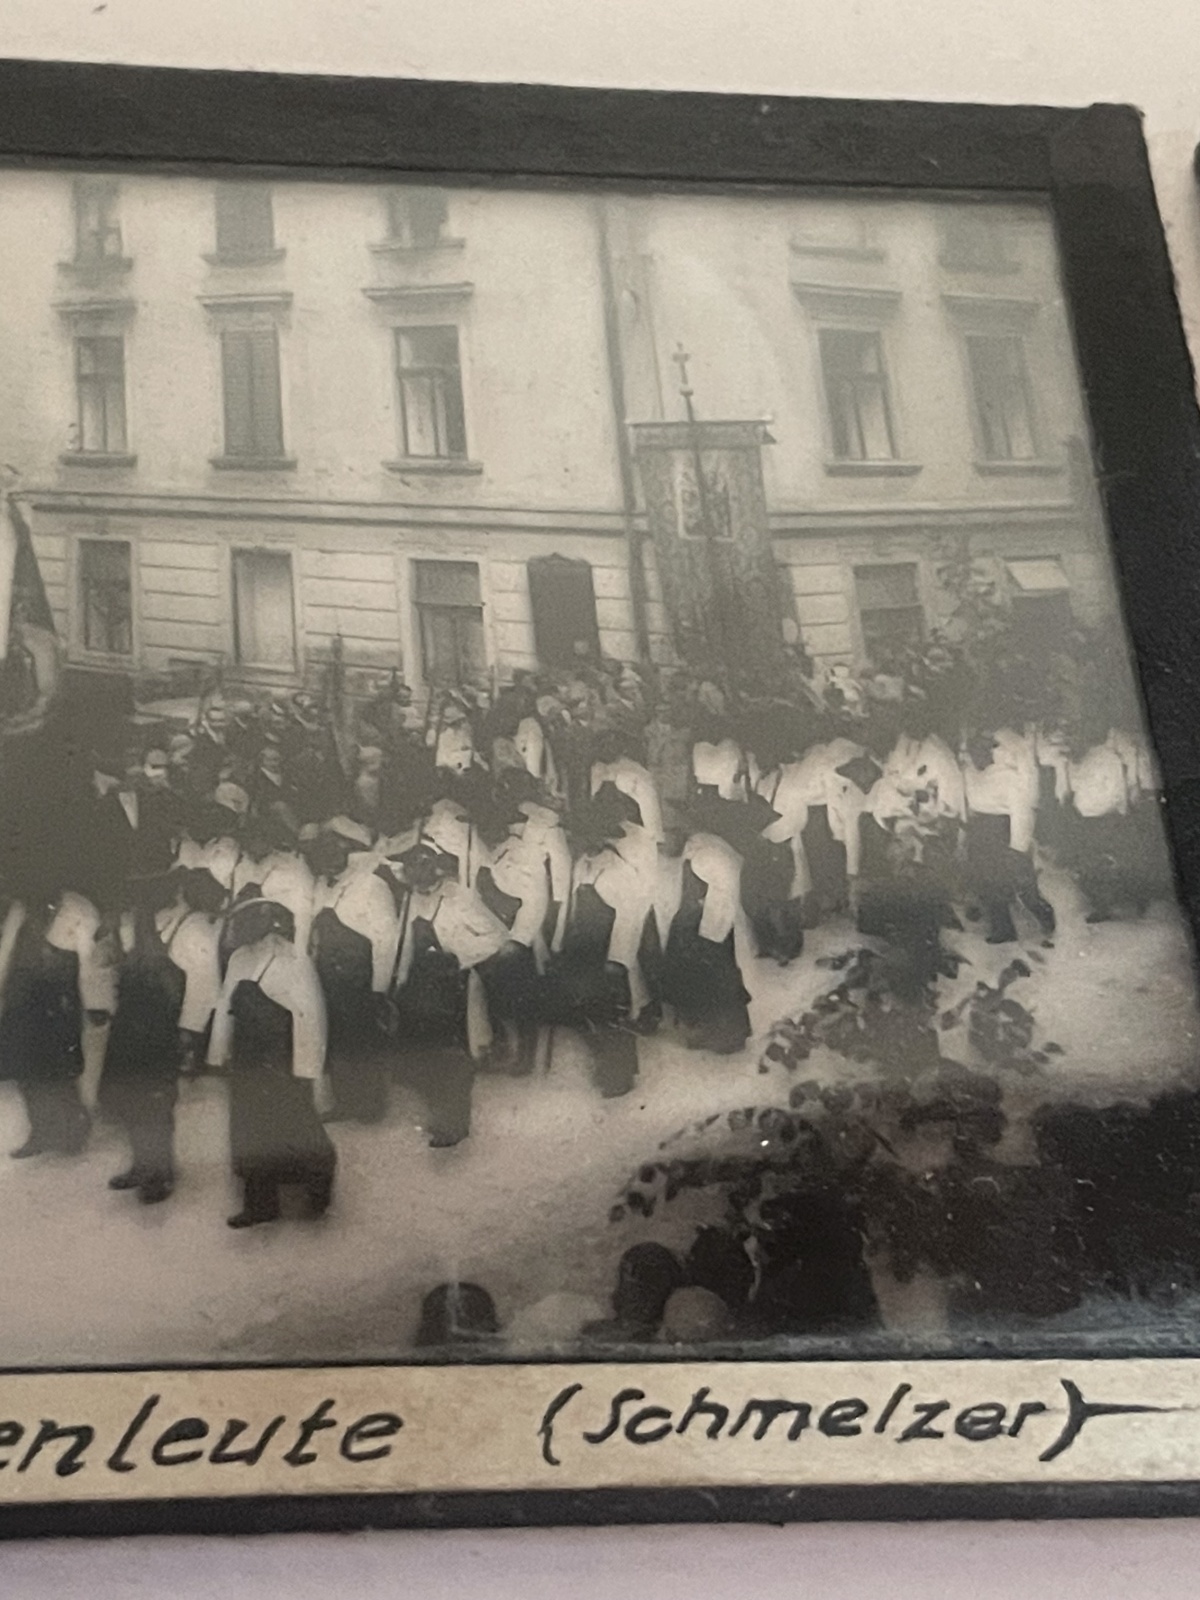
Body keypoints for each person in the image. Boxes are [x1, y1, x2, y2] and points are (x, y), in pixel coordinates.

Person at [208, 900, 335, 1228]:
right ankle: (261, 1204)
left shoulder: (293, 959)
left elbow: (312, 1016)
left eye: (244, 921)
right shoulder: (238, 958)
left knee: (298, 1125)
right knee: (250, 1130)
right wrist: (218, 1052)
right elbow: (225, 1006)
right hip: (249, 1056)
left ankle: (319, 1188)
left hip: (283, 1057)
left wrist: (307, 1067)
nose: (236, 929)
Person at [386, 842, 510, 1147]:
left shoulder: (459, 896)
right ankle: (437, 1113)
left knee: (453, 1058)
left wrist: (459, 956)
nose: (418, 872)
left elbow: (498, 936)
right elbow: (404, 946)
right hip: (418, 988)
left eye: (423, 864)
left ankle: (454, 1124)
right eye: (411, 866)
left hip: (452, 986)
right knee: (424, 1055)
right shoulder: (408, 900)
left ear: (435, 865)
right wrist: (399, 981)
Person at [308, 820, 399, 1123]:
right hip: (328, 977)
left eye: (335, 853)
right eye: (323, 856)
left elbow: (386, 940)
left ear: (348, 852)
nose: (329, 862)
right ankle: (343, 1102)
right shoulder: (321, 885)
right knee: (335, 1040)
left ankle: (371, 1105)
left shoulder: (372, 885)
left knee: (362, 1040)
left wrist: (379, 987)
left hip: (360, 978)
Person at [98, 904, 186, 1204]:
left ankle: (160, 1174)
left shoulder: (163, 965)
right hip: (129, 1042)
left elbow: (171, 1007)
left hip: (154, 1044)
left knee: (155, 1111)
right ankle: (142, 1166)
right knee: (134, 1108)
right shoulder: (131, 960)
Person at [0, 896, 90, 1159]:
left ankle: (75, 1131)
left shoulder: (65, 911)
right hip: (22, 1007)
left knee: (57, 1075)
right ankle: (41, 1133)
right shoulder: (15, 913)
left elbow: (76, 966)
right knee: (28, 1076)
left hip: (52, 1008)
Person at [962, 726, 1055, 944]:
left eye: (983, 753)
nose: (978, 758)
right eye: (974, 753)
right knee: (989, 883)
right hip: (982, 832)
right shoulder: (972, 773)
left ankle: (1045, 916)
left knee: (1021, 881)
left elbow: (1021, 812)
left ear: (992, 753)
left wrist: (1018, 848)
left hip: (1005, 831)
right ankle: (1003, 929)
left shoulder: (1008, 777)